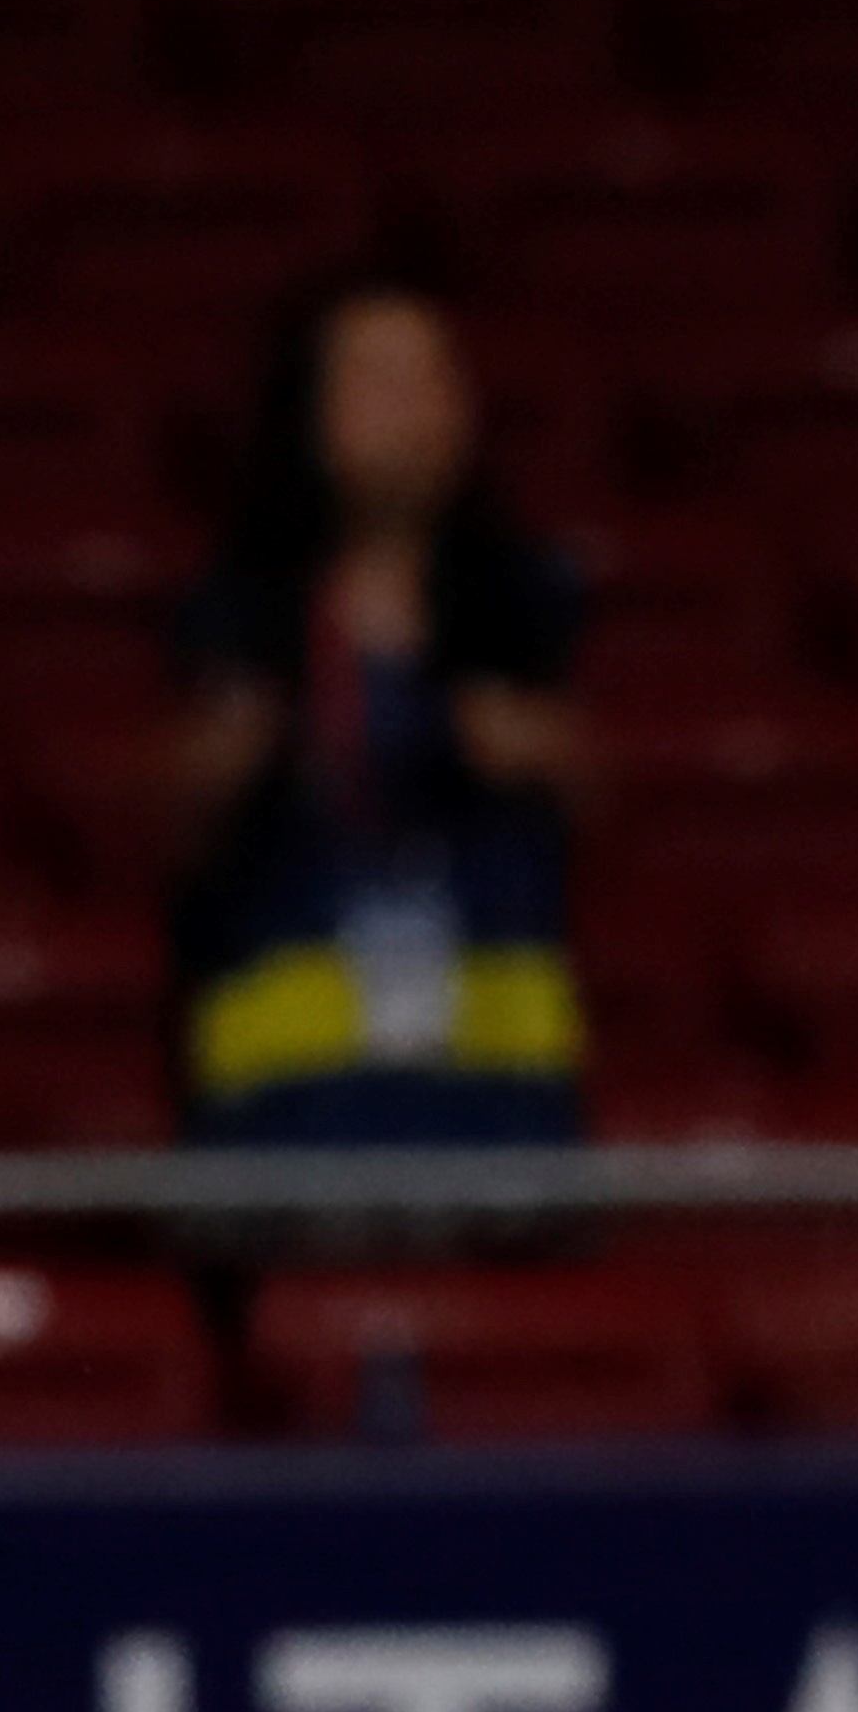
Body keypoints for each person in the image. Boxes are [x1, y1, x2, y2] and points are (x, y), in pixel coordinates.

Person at [168, 276, 588, 1145]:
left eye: (432, 376)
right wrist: (225, 756)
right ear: (309, 412)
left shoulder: (532, 604)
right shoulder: (239, 613)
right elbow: (161, 828)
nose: (410, 405)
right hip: (292, 1130)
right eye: (377, 377)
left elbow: (619, 804)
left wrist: (546, 752)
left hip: (502, 1122)